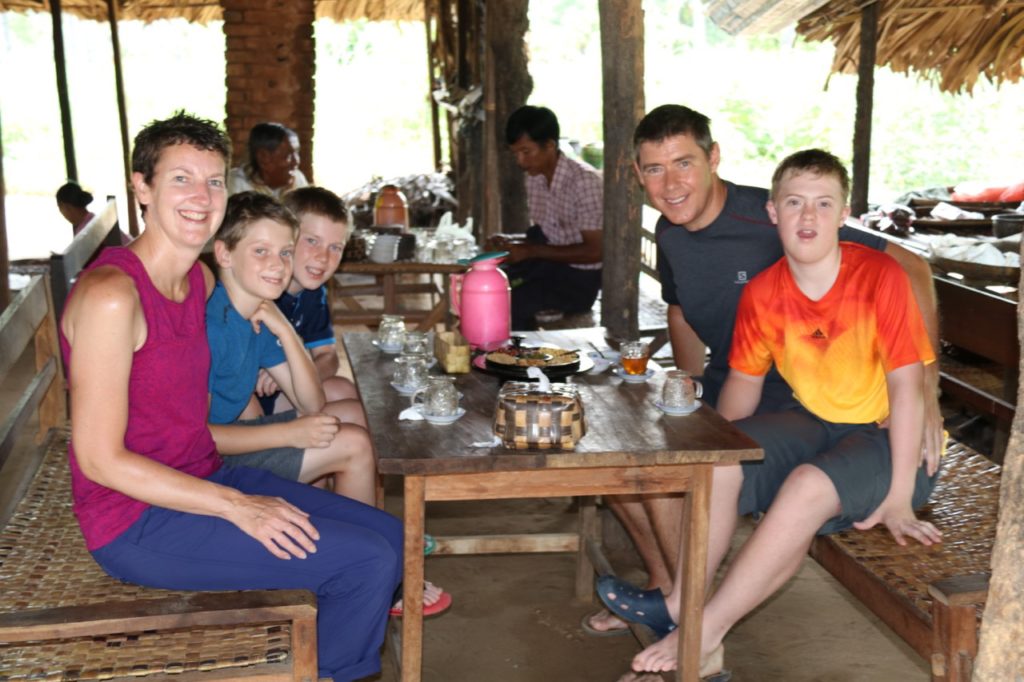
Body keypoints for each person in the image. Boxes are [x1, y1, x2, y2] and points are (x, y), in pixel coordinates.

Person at [58, 111, 401, 682]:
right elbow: (98, 458)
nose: (201, 196)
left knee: (391, 534)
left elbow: (226, 349)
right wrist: (239, 507)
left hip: (205, 476)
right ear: (141, 187)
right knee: (369, 562)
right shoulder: (113, 296)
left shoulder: (196, 280)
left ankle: (334, 651)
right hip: (136, 519)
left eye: (214, 181)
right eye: (180, 179)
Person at [582, 104, 943, 639]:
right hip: (758, 387)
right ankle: (672, 592)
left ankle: (693, 625)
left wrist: (929, 388)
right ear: (638, 175)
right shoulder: (675, 234)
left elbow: (909, 267)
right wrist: (690, 396)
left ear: (714, 159)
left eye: (684, 164)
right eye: (655, 169)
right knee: (635, 451)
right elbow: (681, 312)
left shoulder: (781, 218)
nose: (671, 183)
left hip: (809, 395)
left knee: (700, 464)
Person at [205, 191, 377, 504]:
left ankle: (347, 524)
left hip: (243, 439)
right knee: (353, 442)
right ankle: (352, 533)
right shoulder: (213, 325)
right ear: (225, 254)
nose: (277, 264)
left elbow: (312, 403)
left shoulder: (258, 313)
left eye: (285, 253)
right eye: (261, 251)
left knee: (349, 421)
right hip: (210, 467)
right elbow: (195, 438)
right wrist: (290, 434)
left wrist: (285, 330)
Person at [251, 186, 364, 427]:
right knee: (358, 415)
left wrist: (292, 377)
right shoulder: (258, 291)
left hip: (281, 391)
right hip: (249, 407)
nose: (323, 257)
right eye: (312, 241)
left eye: (335, 247)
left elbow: (328, 357)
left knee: (344, 387)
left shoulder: (312, 294)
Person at [488, 105, 603, 330]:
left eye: (526, 152)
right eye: (515, 153)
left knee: (511, 303)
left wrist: (530, 250)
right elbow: (548, 235)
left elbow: (595, 251)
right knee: (493, 285)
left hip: (580, 281)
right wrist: (512, 244)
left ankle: (524, 359)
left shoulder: (584, 182)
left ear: (550, 145)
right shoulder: (535, 176)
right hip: (549, 266)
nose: (520, 161)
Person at [227, 122, 309, 199]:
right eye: (288, 155)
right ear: (263, 157)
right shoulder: (235, 185)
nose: (296, 161)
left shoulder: (298, 179)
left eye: (297, 153)